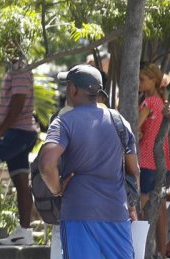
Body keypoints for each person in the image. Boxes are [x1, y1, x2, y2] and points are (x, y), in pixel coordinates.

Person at [37, 64, 139, 259]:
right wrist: (131, 207)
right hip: (116, 213)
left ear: (73, 89)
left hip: (78, 212)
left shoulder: (63, 122)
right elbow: (134, 170)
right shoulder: (119, 122)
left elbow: (46, 164)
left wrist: (57, 188)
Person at [0, 54, 40, 246]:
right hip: (20, 131)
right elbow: (11, 103)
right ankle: (25, 232)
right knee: (20, 180)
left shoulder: (20, 68)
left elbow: (18, 103)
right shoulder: (14, 67)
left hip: (18, 131)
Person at [138, 63, 167, 255]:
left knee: (140, 203)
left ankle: (138, 248)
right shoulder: (162, 104)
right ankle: (162, 248)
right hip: (163, 161)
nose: (139, 83)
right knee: (160, 204)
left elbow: (134, 125)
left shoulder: (148, 103)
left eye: (142, 80)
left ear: (153, 81)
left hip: (146, 160)